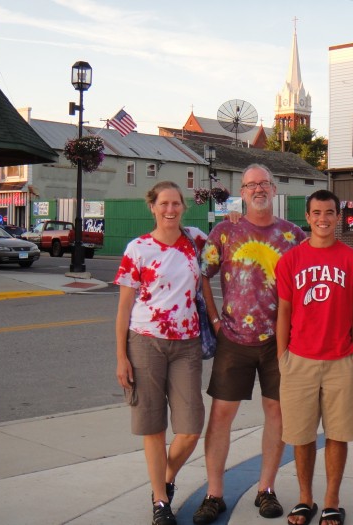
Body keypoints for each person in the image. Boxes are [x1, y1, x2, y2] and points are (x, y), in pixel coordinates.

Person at [193, 164, 306, 525]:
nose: (258, 189)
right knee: (221, 416)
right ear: (241, 192)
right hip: (234, 340)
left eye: (263, 183)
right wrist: (213, 320)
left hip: (279, 341)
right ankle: (214, 494)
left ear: (274, 190)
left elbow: (310, 282)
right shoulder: (225, 232)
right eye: (250, 184)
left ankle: (266, 489)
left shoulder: (293, 235)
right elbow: (201, 275)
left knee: (277, 413)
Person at [114, 180, 207, 525]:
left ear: (184, 207)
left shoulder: (196, 241)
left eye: (176, 204)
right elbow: (123, 309)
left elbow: (230, 255)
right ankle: (160, 502)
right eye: (163, 204)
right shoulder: (138, 249)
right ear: (152, 207)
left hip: (187, 344)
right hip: (145, 342)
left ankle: (164, 481)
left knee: (191, 427)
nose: (170, 210)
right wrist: (121, 356)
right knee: (153, 427)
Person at [276, 189, 353, 525]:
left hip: (341, 359)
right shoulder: (291, 260)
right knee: (301, 436)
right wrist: (282, 356)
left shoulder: (351, 260)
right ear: (308, 216)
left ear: (338, 217)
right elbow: (284, 311)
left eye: (329, 212)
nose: (323, 219)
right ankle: (305, 499)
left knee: (338, 433)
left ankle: (331, 500)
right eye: (317, 213)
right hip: (299, 359)